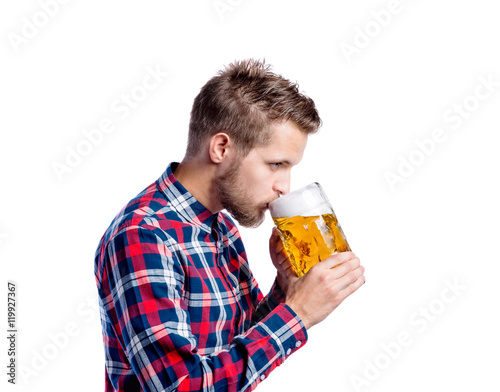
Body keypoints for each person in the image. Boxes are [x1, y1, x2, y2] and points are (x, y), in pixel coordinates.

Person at [94, 59, 365, 391]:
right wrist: (298, 315)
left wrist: (284, 286)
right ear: (222, 148)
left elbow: (237, 344)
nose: (284, 187)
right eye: (276, 164)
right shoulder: (143, 236)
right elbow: (181, 386)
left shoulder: (222, 227)